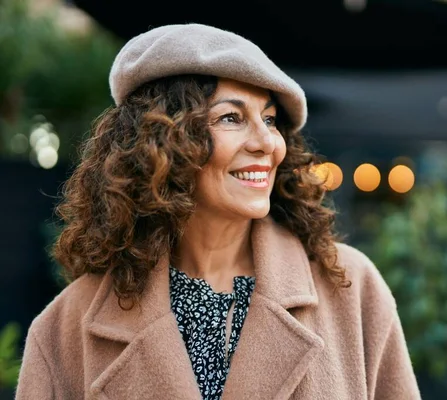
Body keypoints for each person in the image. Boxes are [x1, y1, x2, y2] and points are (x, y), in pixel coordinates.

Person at [15, 24, 420, 399]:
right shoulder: (63, 330)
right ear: (160, 141)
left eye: (270, 119)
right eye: (232, 117)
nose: (267, 144)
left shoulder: (352, 288)